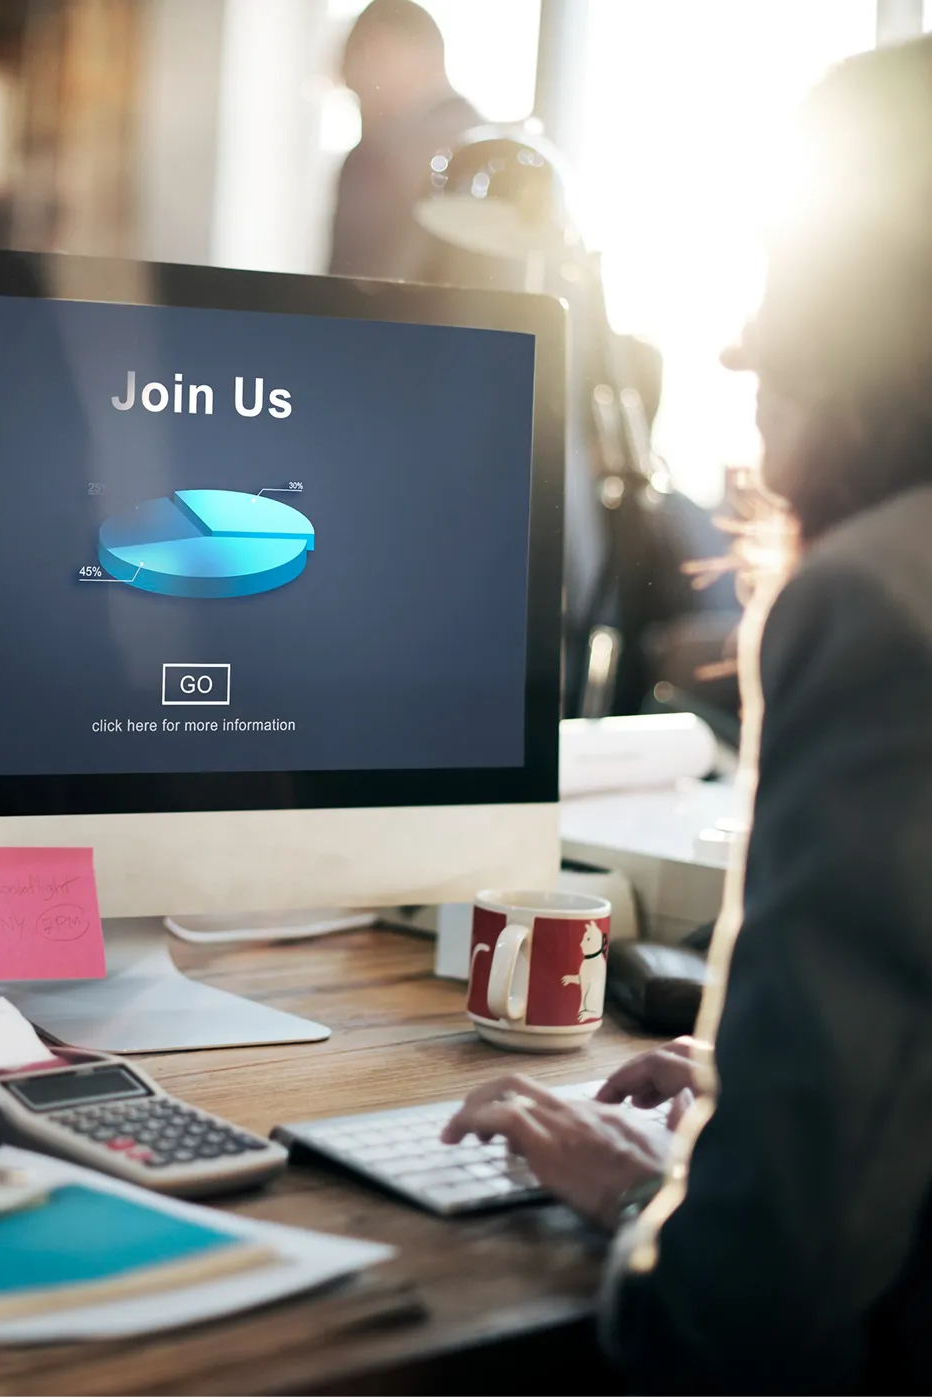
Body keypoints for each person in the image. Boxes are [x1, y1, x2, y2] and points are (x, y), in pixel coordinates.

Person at [441, 35, 932, 1394]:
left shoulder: (884, 607)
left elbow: (752, 1301)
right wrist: (755, 1074)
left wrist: (635, 1197)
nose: (739, 339)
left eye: (794, 281)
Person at [328, 1, 479, 281]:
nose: (361, 112)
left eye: (356, 92)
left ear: (378, 52)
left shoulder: (373, 161)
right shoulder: (502, 157)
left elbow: (344, 302)